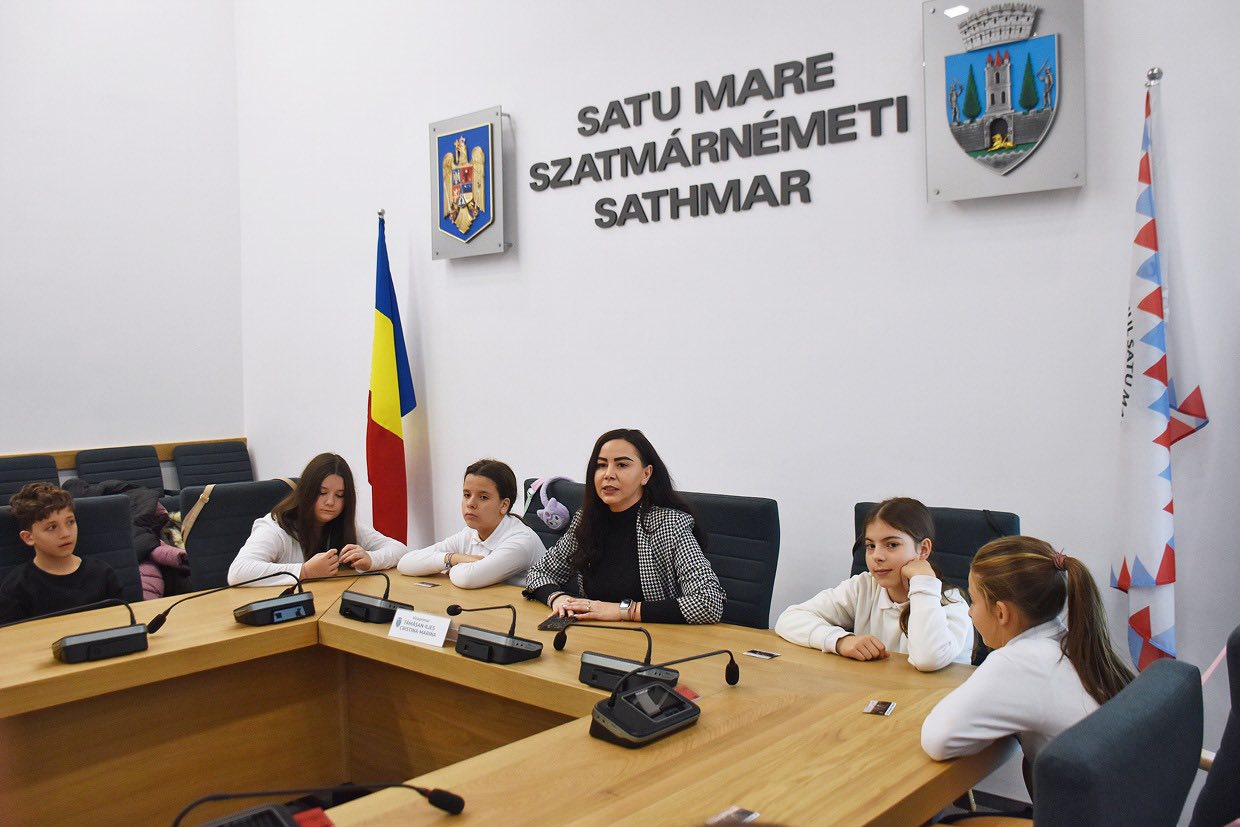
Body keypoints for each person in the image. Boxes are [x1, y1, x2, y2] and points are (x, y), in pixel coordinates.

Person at [921, 536, 1135, 774]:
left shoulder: (1017, 662)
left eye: (973, 601)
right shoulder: (1067, 641)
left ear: (1001, 613)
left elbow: (937, 740)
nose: (970, 612)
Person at [525, 428, 724, 624]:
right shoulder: (587, 520)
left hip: (652, 637)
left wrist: (623, 611)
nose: (608, 474)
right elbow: (539, 572)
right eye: (601, 465)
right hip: (592, 633)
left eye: (621, 465)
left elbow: (709, 601)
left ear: (646, 474)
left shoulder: (669, 525)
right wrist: (559, 600)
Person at [774, 497, 971, 671]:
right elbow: (789, 619)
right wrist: (840, 641)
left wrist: (924, 583)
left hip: (932, 699)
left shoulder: (952, 604)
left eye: (892, 545)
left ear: (924, 549)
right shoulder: (864, 586)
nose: (877, 556)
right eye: (870, 546)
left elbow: (927, 659)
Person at [227, 453, 406, 585]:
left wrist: (371, 559)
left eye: (339, 495)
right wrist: (304, 571)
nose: (330, 502)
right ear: (307, 491)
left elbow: (400, 550)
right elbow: (238, 572)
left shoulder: (344, 525)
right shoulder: (276, 527)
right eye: (322, 492)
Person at [397, 459, 543, 587]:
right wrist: (453, 558)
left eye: (483, 497)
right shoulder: (469, 534)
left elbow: (466, 578)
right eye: (467, 495)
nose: (470, 503)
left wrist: (448, 567)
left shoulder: (521, 540)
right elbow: (405, 563)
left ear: (504, 505)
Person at [0, 482, 122, 622]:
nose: (65, 534)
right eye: (52, 527)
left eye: (70, 522)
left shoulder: (102, 573)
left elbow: (122, 622)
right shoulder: (16, 588)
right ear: (28, 537)